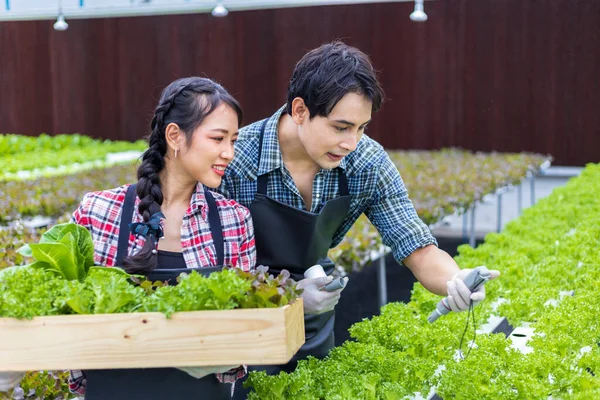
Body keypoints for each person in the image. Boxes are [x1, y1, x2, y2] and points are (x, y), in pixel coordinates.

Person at [215, 41, 500, 399]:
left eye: (362, 128)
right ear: (300, 110)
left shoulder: (367, 163)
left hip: (316, 314)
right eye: (341, 127)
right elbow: (204, 271)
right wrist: (284, 299)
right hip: (242, 319)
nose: (352, 142)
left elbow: (418, 247)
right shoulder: (235, 158)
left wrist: (455, 280)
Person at [0, 77, 256, 399]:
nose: (229, 153)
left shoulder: (234, 221)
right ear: (175, 136)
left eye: (233, 140)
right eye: (218, 138)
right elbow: (53, 302)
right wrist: (15, 350)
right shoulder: (100, 211)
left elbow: (248, 328)